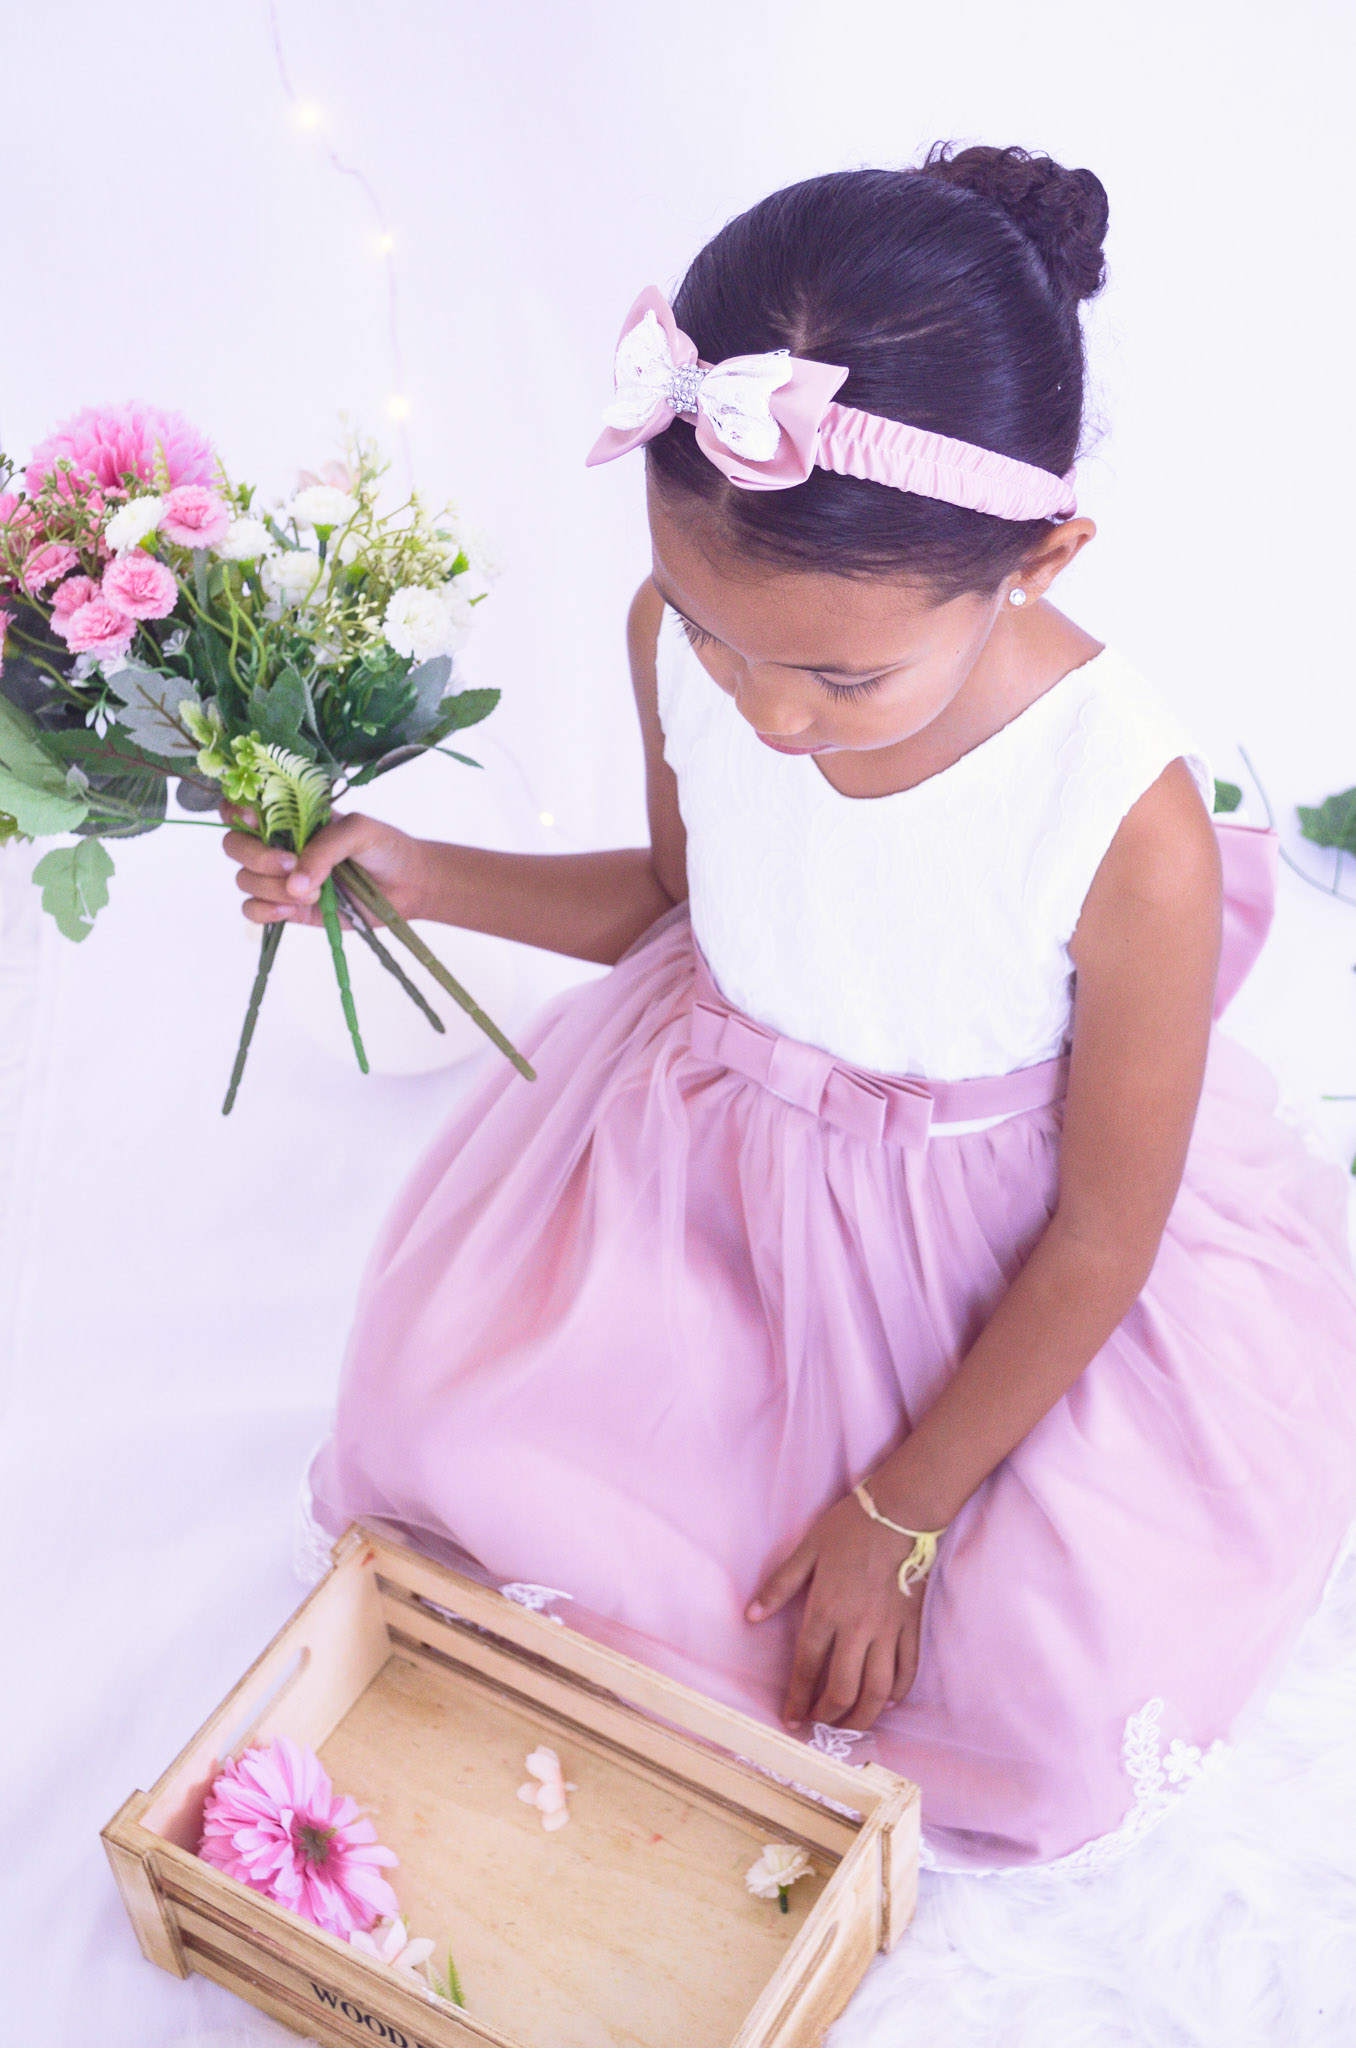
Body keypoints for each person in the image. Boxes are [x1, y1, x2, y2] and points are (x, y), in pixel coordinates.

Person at [224, 146, 1356, 1873]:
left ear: (1040, 557)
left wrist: (898, 1514)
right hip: (710, 1175)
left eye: (841, 676)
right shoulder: (682, 639)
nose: (763, 712)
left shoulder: (1124, 816)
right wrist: (423, 874)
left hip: (993, 1267)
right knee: (436, 1436)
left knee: (1041, 1714)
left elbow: (1101, 1240)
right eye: (713, 634)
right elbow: (692, 908)